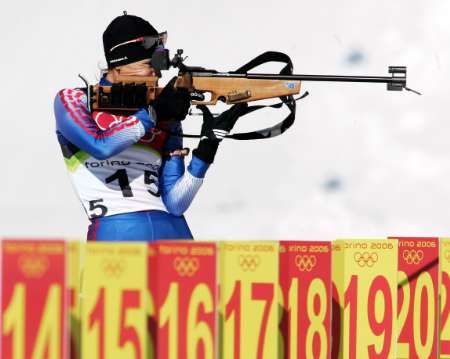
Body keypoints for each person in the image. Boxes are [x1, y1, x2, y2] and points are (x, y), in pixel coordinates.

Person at [54, 12, 247, 241]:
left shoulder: (162, 110)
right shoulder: (74, 99)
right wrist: (153, 114)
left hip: (174, 232)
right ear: (119, 66)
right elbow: (101, 146)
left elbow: (176, 203)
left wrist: (206, 150)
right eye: (149, 64)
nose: (157, 74)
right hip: (116, 232)